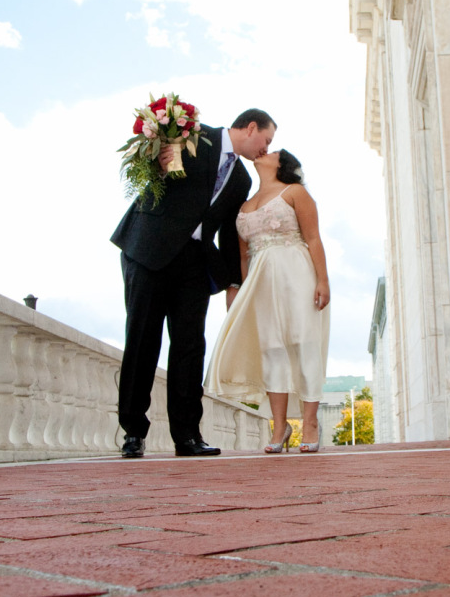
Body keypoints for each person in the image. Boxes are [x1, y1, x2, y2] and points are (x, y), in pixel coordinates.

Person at [111, 108, 277, 457]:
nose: (267, 148)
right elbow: (149, 171)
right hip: (150, 248)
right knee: (142, 340)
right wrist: (157, 162)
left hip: (195, 262)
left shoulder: (241, 181)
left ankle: (187, 436)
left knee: (190, 347)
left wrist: (234, 284)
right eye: (267, 139)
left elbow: (230, 236)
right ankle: (133, 433)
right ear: (251, 128)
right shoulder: (191, 135)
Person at [205, 148, 330, 453]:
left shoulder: (295, 192)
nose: (265, 151)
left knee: (304, 343)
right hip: (260, 282)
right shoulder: (244, 205)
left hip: (297, 274)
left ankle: (310, 424)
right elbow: (244, 256)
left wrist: (323, 280)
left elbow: (313, 238)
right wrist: (244, 292)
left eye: (273, 150)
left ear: (281, 163)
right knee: (271, 350)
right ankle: (280, 426)